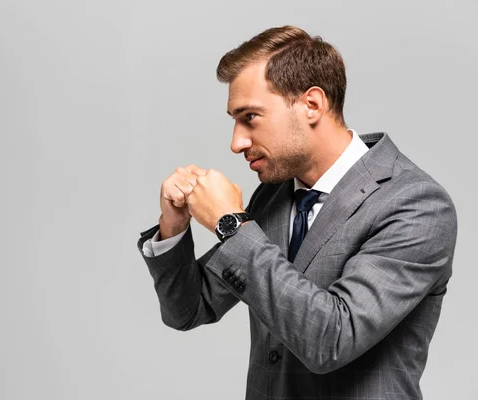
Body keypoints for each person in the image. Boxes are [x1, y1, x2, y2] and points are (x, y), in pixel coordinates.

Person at [136, 25, 457, 400]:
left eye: (250, 117)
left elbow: (332, 339)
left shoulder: (416, 204)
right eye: (234, 121)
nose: (236, 142)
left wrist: (231, 224)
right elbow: (189, 310)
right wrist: (173, 227)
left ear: (312, 104)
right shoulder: (272, 197)